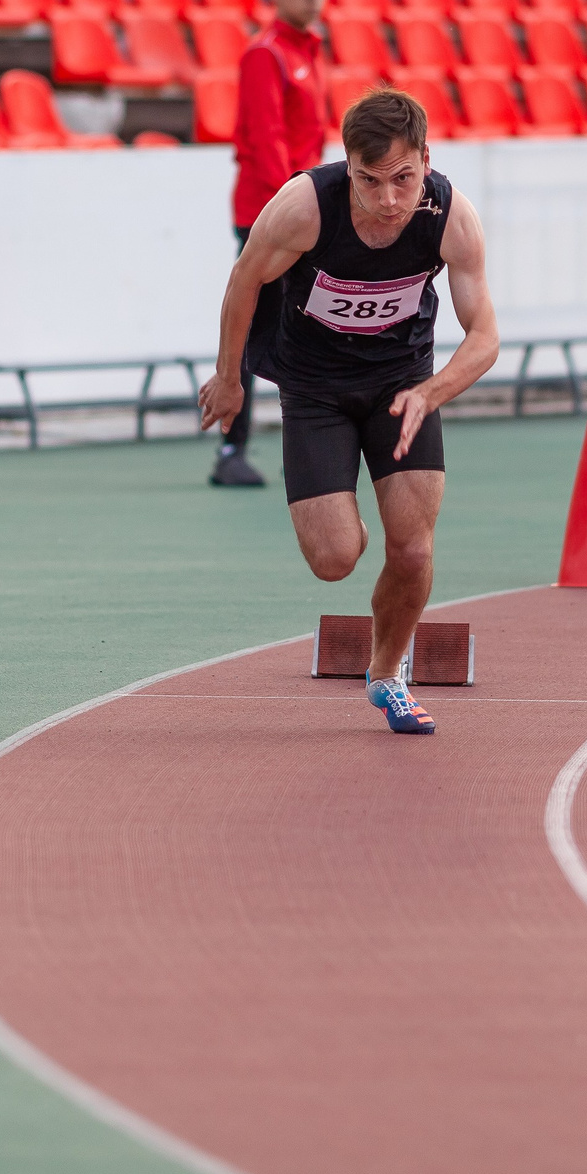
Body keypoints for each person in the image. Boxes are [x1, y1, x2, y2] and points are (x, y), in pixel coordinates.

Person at [197, 88, 500, 735]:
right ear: (347, 165)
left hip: (401, 387)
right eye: (369, 180)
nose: (388, 199)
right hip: (315, 388)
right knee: (335, 557)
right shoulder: (305, 206)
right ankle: (344, 515)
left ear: (426, 159)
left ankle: (388, 675)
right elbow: (243, 280)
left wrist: (432, 391)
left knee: (413, 550)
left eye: (403, 179)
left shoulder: (451, 215)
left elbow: (484, 337)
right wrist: (230, 378)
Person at [210, 0, 332, 488]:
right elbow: (267, 142)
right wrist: (293, 207)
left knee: (294, 325)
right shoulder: (269, 54)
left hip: (296, 206)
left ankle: (294, 441)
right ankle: (230, 447)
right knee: (256, 322)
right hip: (272, 209)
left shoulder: (307, 52)